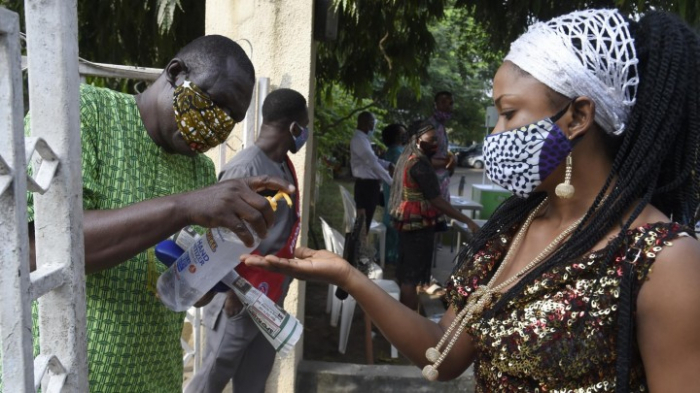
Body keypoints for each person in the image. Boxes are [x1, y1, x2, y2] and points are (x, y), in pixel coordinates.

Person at [242, 9, 700, 391]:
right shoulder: (511, 232)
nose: (496, 135)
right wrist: (350, 277)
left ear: (578, 117)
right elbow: (445, 354)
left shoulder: (663, 261)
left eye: (508, 113)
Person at [23, 35, 295, 392]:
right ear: (175, 73)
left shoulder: (198, 170)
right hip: (65, 379)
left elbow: (187, 293)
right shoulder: (84, 112)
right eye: (217, 103)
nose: (219, 124)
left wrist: (213, 268)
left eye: (233, 118)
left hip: (156, 380)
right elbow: (37, 248)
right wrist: (184, 207)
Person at [184, 88, 308, 393]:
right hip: (238, 298)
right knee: (213, 375)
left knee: (255, 376)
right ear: (293, 128)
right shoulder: (246, 169)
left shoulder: (279, 165)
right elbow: (217, 239)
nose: (305, 133)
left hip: (267, 295)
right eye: (304, 126)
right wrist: (232, 292)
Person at [389, 121, 479, 311]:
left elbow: (438, 164)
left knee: (408, 273)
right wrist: (467, 221)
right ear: (417, 140)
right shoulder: (419, 165)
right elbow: (437, 200)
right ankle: (409, 322)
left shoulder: (409, 158)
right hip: (418, 225)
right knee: (411, 278)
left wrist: (449, 162)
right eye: (431, 139)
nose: (436, 143)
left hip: (408, 222)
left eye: (437, 139)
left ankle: (406, 317)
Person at [350, 111, 392, 232]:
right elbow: (373, 164)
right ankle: (358, 249)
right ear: (365, 123)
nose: (373, 127)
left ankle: (360, 246)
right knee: (363, 225)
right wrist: (391, 182)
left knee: (364, 223)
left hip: (370, 186)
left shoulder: (363, 139)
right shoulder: (358, 140)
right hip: (366, 186)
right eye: (372, 123)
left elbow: (375, 160)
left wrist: (388, 165)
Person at [380, 123, 407, 265]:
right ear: (396, 136)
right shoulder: (397, 153)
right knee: (395, 225)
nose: (405, 135)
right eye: (402, 133)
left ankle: (385, 253)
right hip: (398, 192)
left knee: (390, 220)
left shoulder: (390, 151)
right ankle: (391, 256)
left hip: (390, 191)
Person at [428, 91, 456, 201]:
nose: (448, 106)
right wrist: (448, 163)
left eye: (451, 103)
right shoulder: (430, 126)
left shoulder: (441, 126)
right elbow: (421, 159)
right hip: (430, 186)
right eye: (443, 102)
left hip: (442, 185)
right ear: (435, 105)